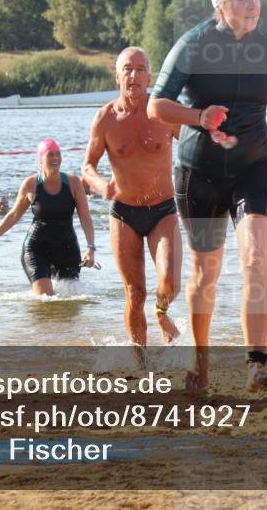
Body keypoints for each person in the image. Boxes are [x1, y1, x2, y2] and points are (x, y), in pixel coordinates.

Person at [147, 0, 267, 393]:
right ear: (220, 5)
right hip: (199, 172)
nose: (252, 3)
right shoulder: (193, 45)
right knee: (205, 271)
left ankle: (256, 364)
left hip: (253, 166)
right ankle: (199, 363)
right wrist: (199, 116)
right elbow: (156, 106)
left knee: (256, 258)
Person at [83, 46, 182, 346]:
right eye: (127, 69)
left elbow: (196, 146)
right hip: (123, 214)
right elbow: (87, 167)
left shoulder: (164, 113)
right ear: (117, 77)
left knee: (170, 283)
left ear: (149, 78)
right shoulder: (105, 119)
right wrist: (101, 185)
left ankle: (161, 313)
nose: (133, 75)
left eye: (140, 70)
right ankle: (141, 362)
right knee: (134, 293)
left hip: (163, 210)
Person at [0, 139, 95, 296]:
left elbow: (85, 218)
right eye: (50, 154)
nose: (55, 158)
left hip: (67, 248)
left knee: (70, 302)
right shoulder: (31, 184)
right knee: (46, 299)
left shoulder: (73, 183)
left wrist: (91, 248)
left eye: (58, 154)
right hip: (36, 249)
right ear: (41, 159)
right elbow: (13, 216)